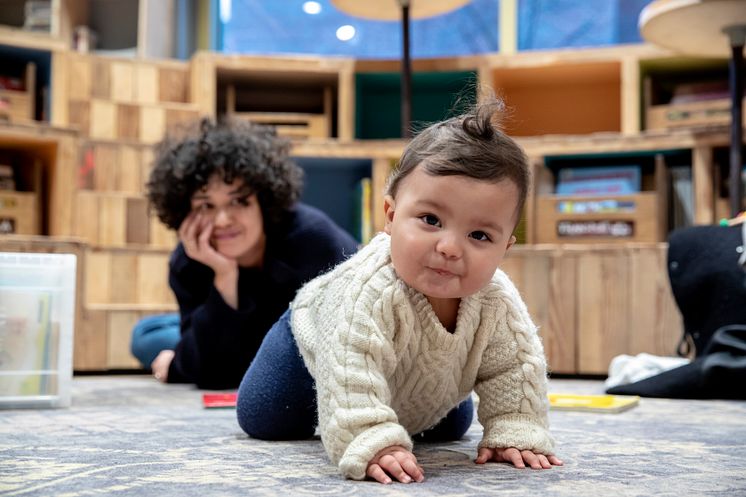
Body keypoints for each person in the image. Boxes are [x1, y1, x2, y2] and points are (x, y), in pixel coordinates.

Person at [235, 97, 562, 483]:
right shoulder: (365, 290)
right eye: (430, 219)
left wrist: (514, 428)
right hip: (313, 347)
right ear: (391, 216)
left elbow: (514, 365)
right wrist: (372, 440)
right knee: (265, 416)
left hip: (417, 375)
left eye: (479, 235)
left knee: (447, 426)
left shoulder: (496, 299)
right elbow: (348, 366)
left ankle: (402, 408)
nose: (450, 247)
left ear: (505, 247)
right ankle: (358, 413)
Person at [129, 118, 358, 390]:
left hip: (295, 341)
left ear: (262, 200)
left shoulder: (313, 240)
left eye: (239, 201)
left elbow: (332, 347)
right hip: (237, 337)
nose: (223, 219)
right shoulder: (188, 262)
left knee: (151, 341)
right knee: (142, 336)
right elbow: (210, 373)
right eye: (206, 205)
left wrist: (179, 363)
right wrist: (224, 276)